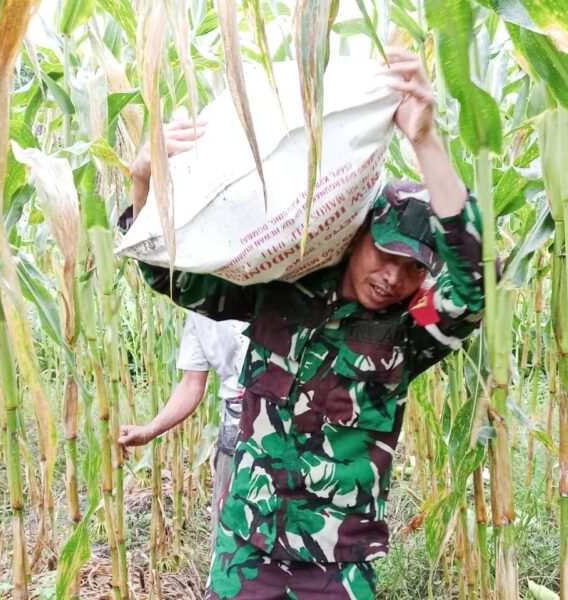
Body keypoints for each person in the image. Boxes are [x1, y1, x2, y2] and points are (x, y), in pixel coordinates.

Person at [121, 48, 484, 599]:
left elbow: (472, 284)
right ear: (356, 235)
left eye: (413, 268)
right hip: (248, 544)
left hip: (336, 563)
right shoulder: (282, 289)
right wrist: (143, 182)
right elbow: (174, 276)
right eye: (384, 253)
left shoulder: (408, 337)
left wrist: (424, 140)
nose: (392, 277)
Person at [118, 311, 249, 545]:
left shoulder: (281, 282)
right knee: (229, 541)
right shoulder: (200, 311)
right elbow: (191, 383)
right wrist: (149, 430)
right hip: (235, 436)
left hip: (293, 435)